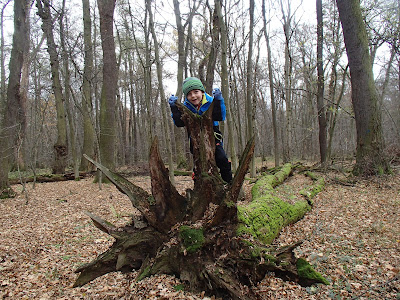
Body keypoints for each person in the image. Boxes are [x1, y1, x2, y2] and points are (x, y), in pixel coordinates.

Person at [168, 77, 232, 184]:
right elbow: (179, 123)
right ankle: (199, 187)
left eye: (196, 92)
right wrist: (174, 108)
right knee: (199, 164)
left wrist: (219, 100)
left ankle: (229, 183)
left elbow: (220, 116)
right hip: (194, 139)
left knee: (221, 158)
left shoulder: (211, 101)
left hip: (213, 135)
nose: (193, 96)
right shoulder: (185, 107)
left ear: (202, 91)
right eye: (189, 94)